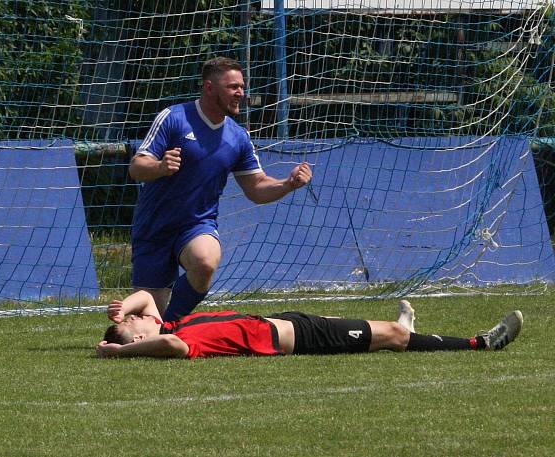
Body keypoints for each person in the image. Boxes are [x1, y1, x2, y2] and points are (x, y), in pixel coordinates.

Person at [129, 56, 313, 321]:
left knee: (205, 261)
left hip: (196, 225)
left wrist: (288, 184)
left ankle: (170, 325)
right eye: (232, 87)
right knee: (146, 321)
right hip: (154, 227)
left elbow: (256, 186)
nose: (240, 93)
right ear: (209, 88)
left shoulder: (238, 137)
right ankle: (159, 325)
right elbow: (137, 167)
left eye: (241, 86)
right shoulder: (174, 118)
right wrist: (159, 167)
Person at [95, 290, 524, 359]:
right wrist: (121, 348)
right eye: (134, 324)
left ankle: (402, 327)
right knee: (393, 338)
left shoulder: (164, 321)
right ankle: (479, 343)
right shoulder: (169, 339)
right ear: (137, 339)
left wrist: (121, 311)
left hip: (286, 320)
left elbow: (147, 299)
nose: (138, 318)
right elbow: (171, 346)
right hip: (296, 338)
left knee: (359, 324)